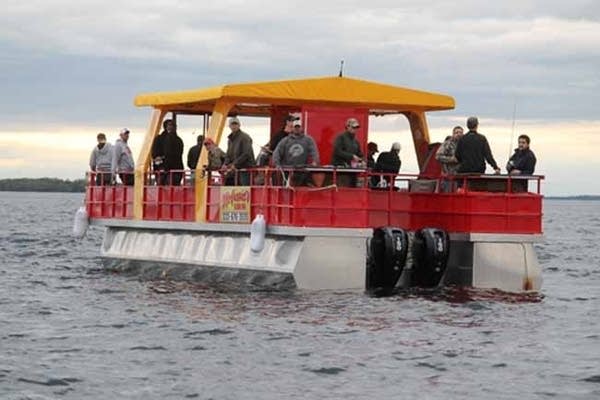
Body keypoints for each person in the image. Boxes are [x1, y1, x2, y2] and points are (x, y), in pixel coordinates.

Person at [272, 118, 320, 186]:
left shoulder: (308, 140)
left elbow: (314, 152)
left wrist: (315, 161)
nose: (297, 129)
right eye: (295, 127)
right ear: (292, 128)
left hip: (303, 171)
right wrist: (277, 164)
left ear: (301, 128)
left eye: (298, 127)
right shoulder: (285, 140)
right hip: (287, 171)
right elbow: (277, 153)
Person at [222, 117, 255, 185]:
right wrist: (225, 164)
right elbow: (228, 154)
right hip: (236, 169)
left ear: (239, 125)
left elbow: (246, 153)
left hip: (246, 169)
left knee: (244, 189)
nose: (234, 126)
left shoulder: (245, 137)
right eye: (232, 124)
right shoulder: (230, 140)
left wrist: (234, 164)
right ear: (229, 126)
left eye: (235, 124)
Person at [152, 119, 184, 185]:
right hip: (163, 169)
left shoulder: (178, 140)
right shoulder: (159, 139)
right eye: (170, 125)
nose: (172, 127)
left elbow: (179, 155)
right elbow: (155, 155)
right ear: (165, 127)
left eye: (173, 125)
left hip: (175, 169)